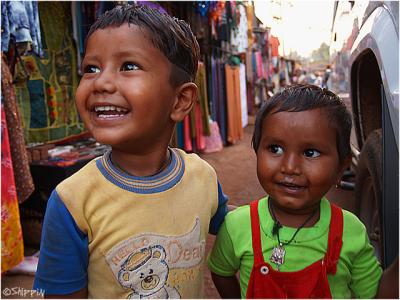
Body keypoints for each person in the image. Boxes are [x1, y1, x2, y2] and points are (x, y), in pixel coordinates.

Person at [33, 4, 229, 298]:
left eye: (128, 66)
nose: (101, 82)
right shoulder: (72, 202)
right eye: (91, 68)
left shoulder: (202, 177)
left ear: (180, 101)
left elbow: (235, 225)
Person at [208, 84, 393, 298]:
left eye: (310, 152)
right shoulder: (237, 226)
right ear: (257, 151)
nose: (290, 167)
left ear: (341, 169)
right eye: (275, 149)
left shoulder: (349, 232)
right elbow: (221, 271)